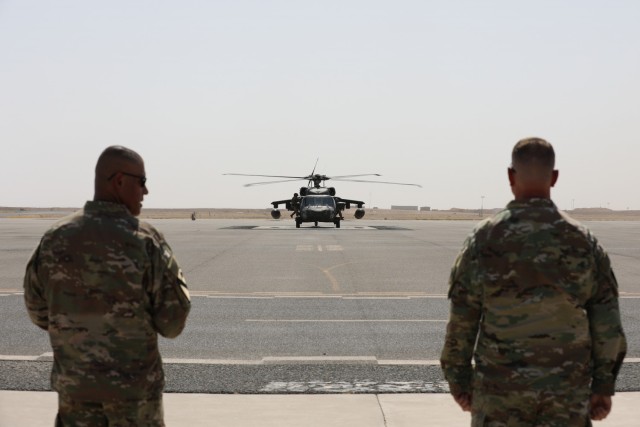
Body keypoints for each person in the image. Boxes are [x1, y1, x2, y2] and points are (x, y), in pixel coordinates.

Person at [440, 138, 627, 426]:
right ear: (554, 178)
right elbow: (607, 323)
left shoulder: (483, 239)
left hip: (499, 396)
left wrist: (460, 382)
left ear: (509, 176)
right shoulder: (582, 242)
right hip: (566, 397)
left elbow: (462, 321)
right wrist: (603, 386)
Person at [24, 146, 191, 426]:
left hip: (75, 396)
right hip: (134, 402)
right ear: (119, 181)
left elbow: (38, 312)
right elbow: (172, 322)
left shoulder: (55, 238)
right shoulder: (146, 241)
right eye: (142, 182)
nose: (145, 192)